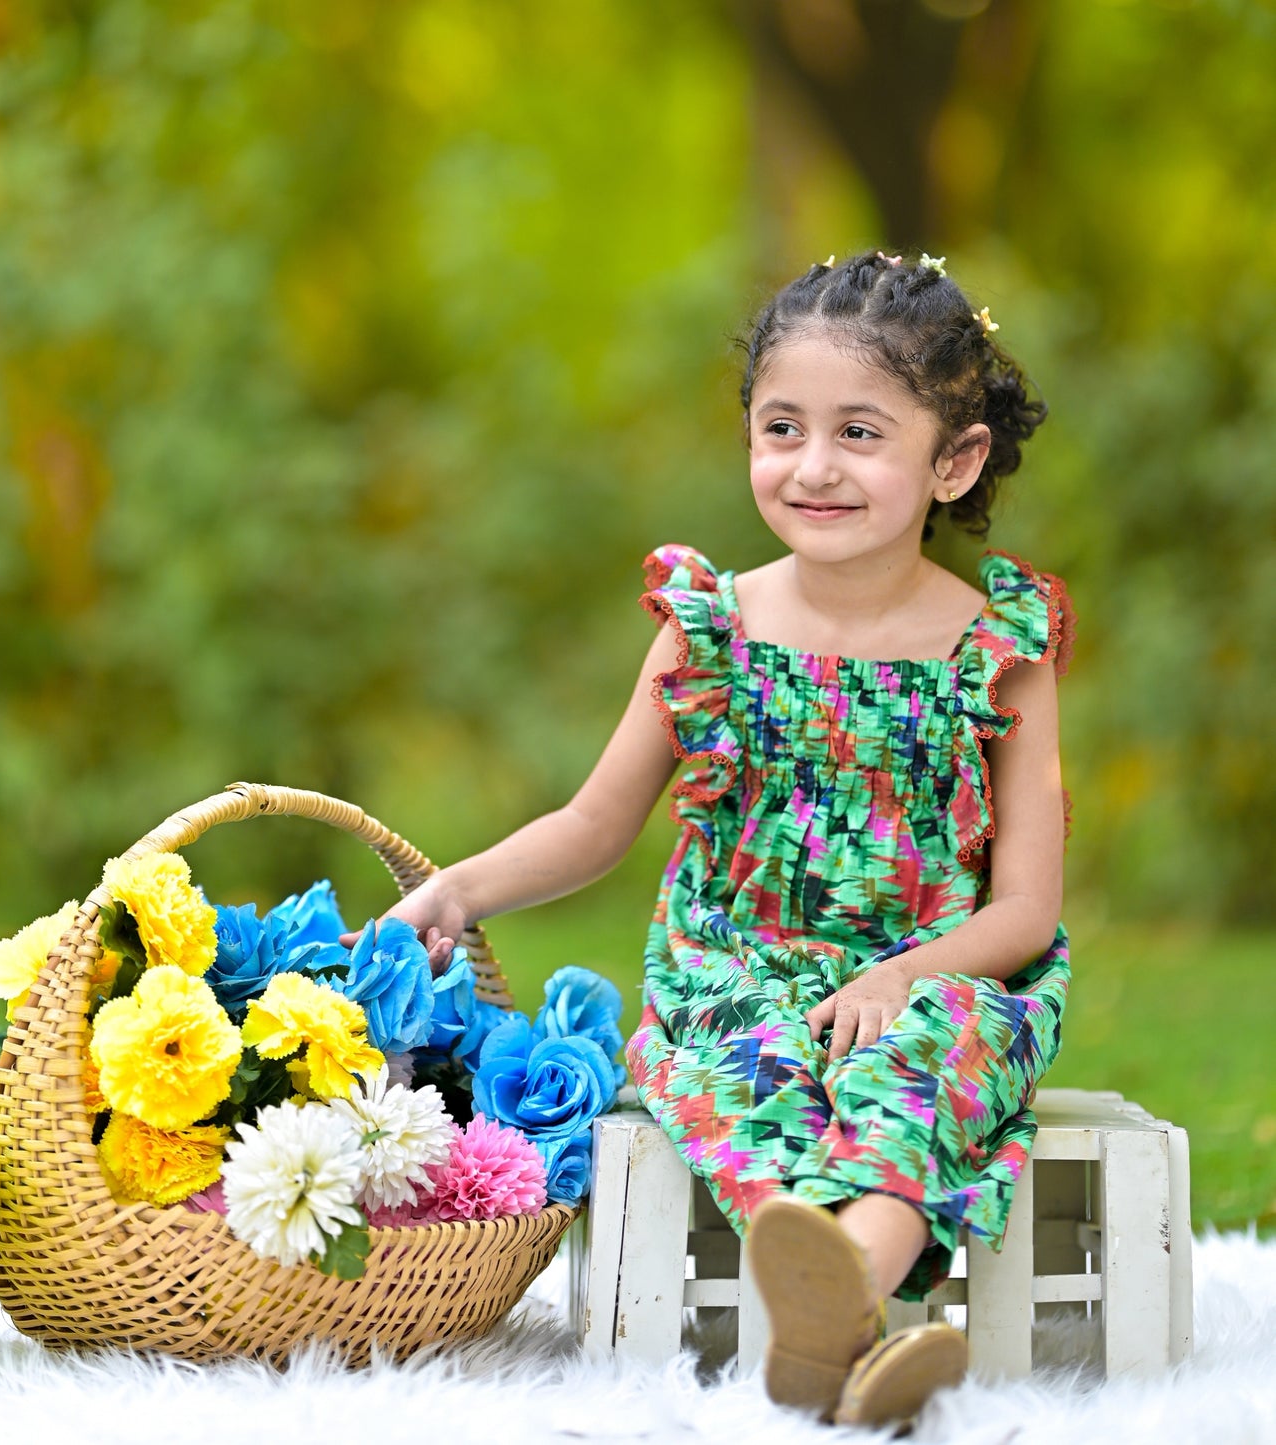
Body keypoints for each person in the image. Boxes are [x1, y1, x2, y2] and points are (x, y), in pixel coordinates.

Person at [385, 250, 1073, 1427]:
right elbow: (594, 822)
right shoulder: (713, 626)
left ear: (950, 460)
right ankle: (842, 1318)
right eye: (780, 426)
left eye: (859, 432)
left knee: (927, 1058)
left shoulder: (994, 645)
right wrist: (457, 889)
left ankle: (840, 1290)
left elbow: (1023, 911)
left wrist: (903, 972)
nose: (811, 465)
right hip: (734, 965)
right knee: (746, 1067)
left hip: (931, 970)